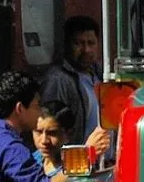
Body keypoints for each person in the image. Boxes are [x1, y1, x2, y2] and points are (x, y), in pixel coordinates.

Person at [40, 16, 112, 159]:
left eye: (91, 43)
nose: (86, 50)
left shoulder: (102, 74)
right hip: (79, 166)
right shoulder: (58, 80)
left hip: (106, 165)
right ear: (66, 45)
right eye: (78, 43)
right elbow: (50, 131)